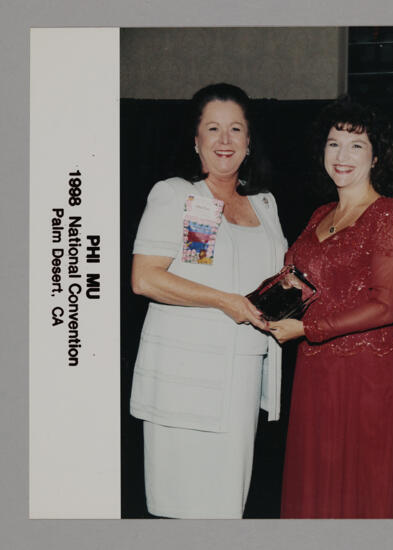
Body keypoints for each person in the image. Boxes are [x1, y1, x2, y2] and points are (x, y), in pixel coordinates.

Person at [268, 97, 393, 518]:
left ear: (377, 156)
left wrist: (307, 330)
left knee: (371, 494)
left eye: (356, 145)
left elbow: (385, 307)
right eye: (333, 144)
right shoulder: (320, 214)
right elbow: (298, 282)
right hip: (317, 372)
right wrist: (264, 301)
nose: (342, 156)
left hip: (371, 376)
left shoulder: (389, 214)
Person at [129, 83, 287, 519]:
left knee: (225, 509)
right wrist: (225, 301)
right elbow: (145, 279)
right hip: (186, 382)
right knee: (184, 509)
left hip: (241, 381)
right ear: (195, 140)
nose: (224, 140)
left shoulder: (265, 204)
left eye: (235, 129)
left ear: (249, 142)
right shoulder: (180, 194)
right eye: (212, 128)